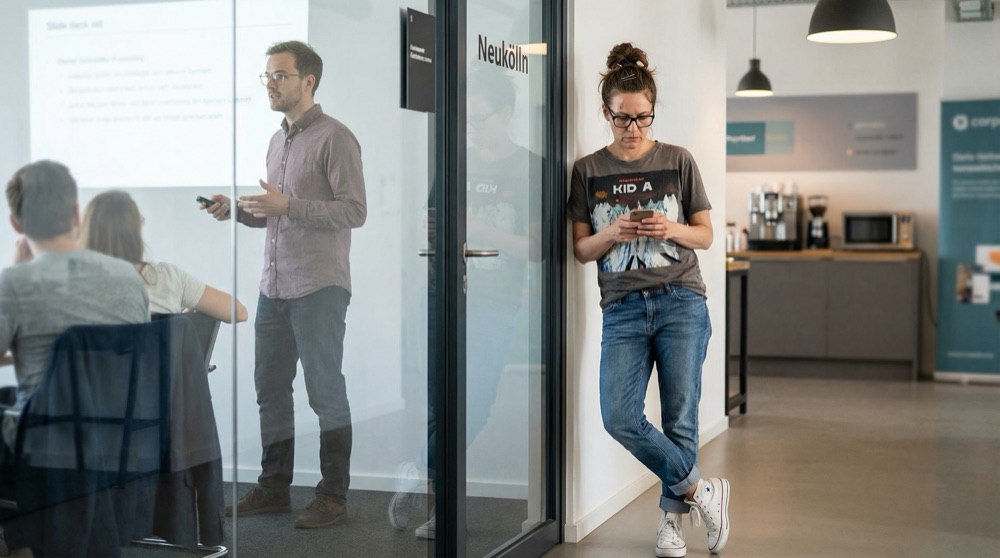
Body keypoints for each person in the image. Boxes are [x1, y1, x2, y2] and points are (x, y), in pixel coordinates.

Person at [565, 43, 731, 557]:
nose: (633, 128)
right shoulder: (587, 170)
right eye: (622, 119)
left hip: (682, 300)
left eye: (642, 117)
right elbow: (579, 249)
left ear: (652, 111)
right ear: (605, 113)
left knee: (681, 417)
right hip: (622, 309)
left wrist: (671, 227)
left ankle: (672, 526)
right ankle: (701, 492)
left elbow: (705, 236)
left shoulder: (678, 159)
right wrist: (613, 231)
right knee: (620, 415)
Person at [202, 40, 367, 529]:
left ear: (308, 81)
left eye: (279, 75)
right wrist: (237, 210)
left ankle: (333, 496)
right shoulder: (279, 141)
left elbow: (354, 211)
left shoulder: (336, 138)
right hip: (273, 288)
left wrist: (288, 206)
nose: (270, 84)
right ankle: (274, 488)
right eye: (267, 76)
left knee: (325, 395)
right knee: (270, 392)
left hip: (319, 287)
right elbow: (279, 217)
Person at [387, 68, 540, 540]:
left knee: (476, 403)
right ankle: (443, 508)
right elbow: (434, 233)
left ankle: (419, 467)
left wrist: (479, 229)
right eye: (466, 120)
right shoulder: (455, 163)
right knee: (440, 404)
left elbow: (535, 246)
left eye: (480, 118)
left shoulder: (532, 166)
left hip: (496, 303)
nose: (471, 129)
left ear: (507, 113)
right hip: (445, 296)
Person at [0, 160, 150, 557]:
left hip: (47, 449)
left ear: (16, 223)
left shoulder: (14, 283)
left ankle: (20, 546)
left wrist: (17, 271)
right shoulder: (127, 277)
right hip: (119, 440)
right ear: (75, 214)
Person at [79, 190, 248, 323]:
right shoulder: (168, 278)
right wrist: (191, 307)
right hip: (156, 368)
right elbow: (239, 312)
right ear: (136, 231)